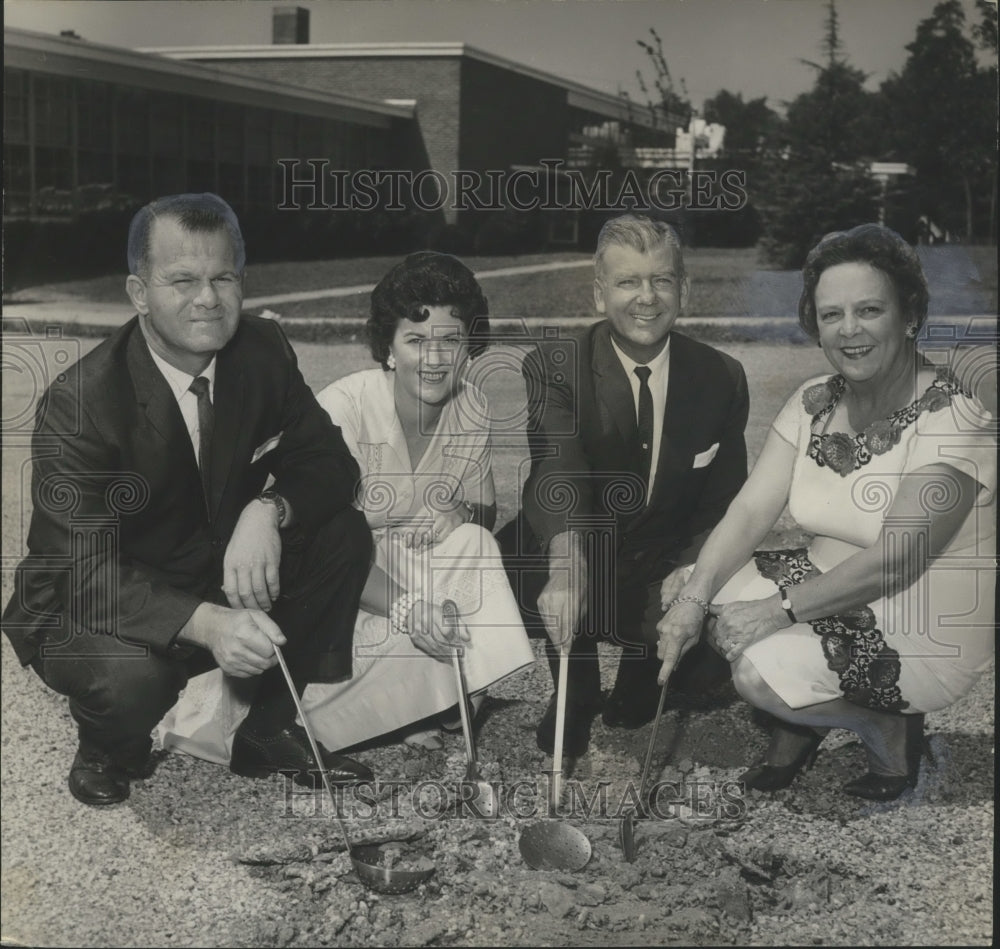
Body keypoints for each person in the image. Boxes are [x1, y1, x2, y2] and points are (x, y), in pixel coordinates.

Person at [1, 193, 374, 806]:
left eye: (223, 277)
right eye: (182, 280)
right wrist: (209, 622)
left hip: (207, 565)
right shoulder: (82, 403)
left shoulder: (264, 352)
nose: (208, 298)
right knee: (132, 682)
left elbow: (331, 463)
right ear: (138, 292)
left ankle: (268, 729)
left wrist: (269, 510)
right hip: (95, 595)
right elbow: (80, 571)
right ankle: (108, 746)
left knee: (343, 532)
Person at [657, 224, 996, 801]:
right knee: (687, 583)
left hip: (921, 624)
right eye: (832, 314)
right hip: (826, 584)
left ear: (909, 314)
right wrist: (694, 599)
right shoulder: (814, 398)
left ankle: (881, 724)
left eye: (869, 310)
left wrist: (774, 612)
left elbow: (895, 562)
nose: (850, 330)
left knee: (756, 672)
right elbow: (748, 512)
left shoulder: (954, 417)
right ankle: (802, 716)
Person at [158, 251, 534, 757]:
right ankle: (400, 703)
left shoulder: (473, 406)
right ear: (389, 348)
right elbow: (322, 545)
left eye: (451, 340)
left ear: (470, 347)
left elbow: (485, 510)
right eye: (416, 340)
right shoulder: (346, 407)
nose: (436, 358)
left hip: (413, 573)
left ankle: (433, 697)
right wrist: (408, 609)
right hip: (340, 588)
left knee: (476, 542)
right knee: (327, 679)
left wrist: (463, 512)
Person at [498, 214, 751, 756]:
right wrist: (568, 568)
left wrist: (691, 580)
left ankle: (644, 670)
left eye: (661, 280)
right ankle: (575, 683)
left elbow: (724, 502)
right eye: (627, 282)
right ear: (598, 294)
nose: (646, 298)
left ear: (683, 290)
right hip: (583, 541)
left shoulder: (722, 377)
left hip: (662, 557)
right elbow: (557, 470)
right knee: (518, 565)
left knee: (713, 644)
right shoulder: (555, 364)